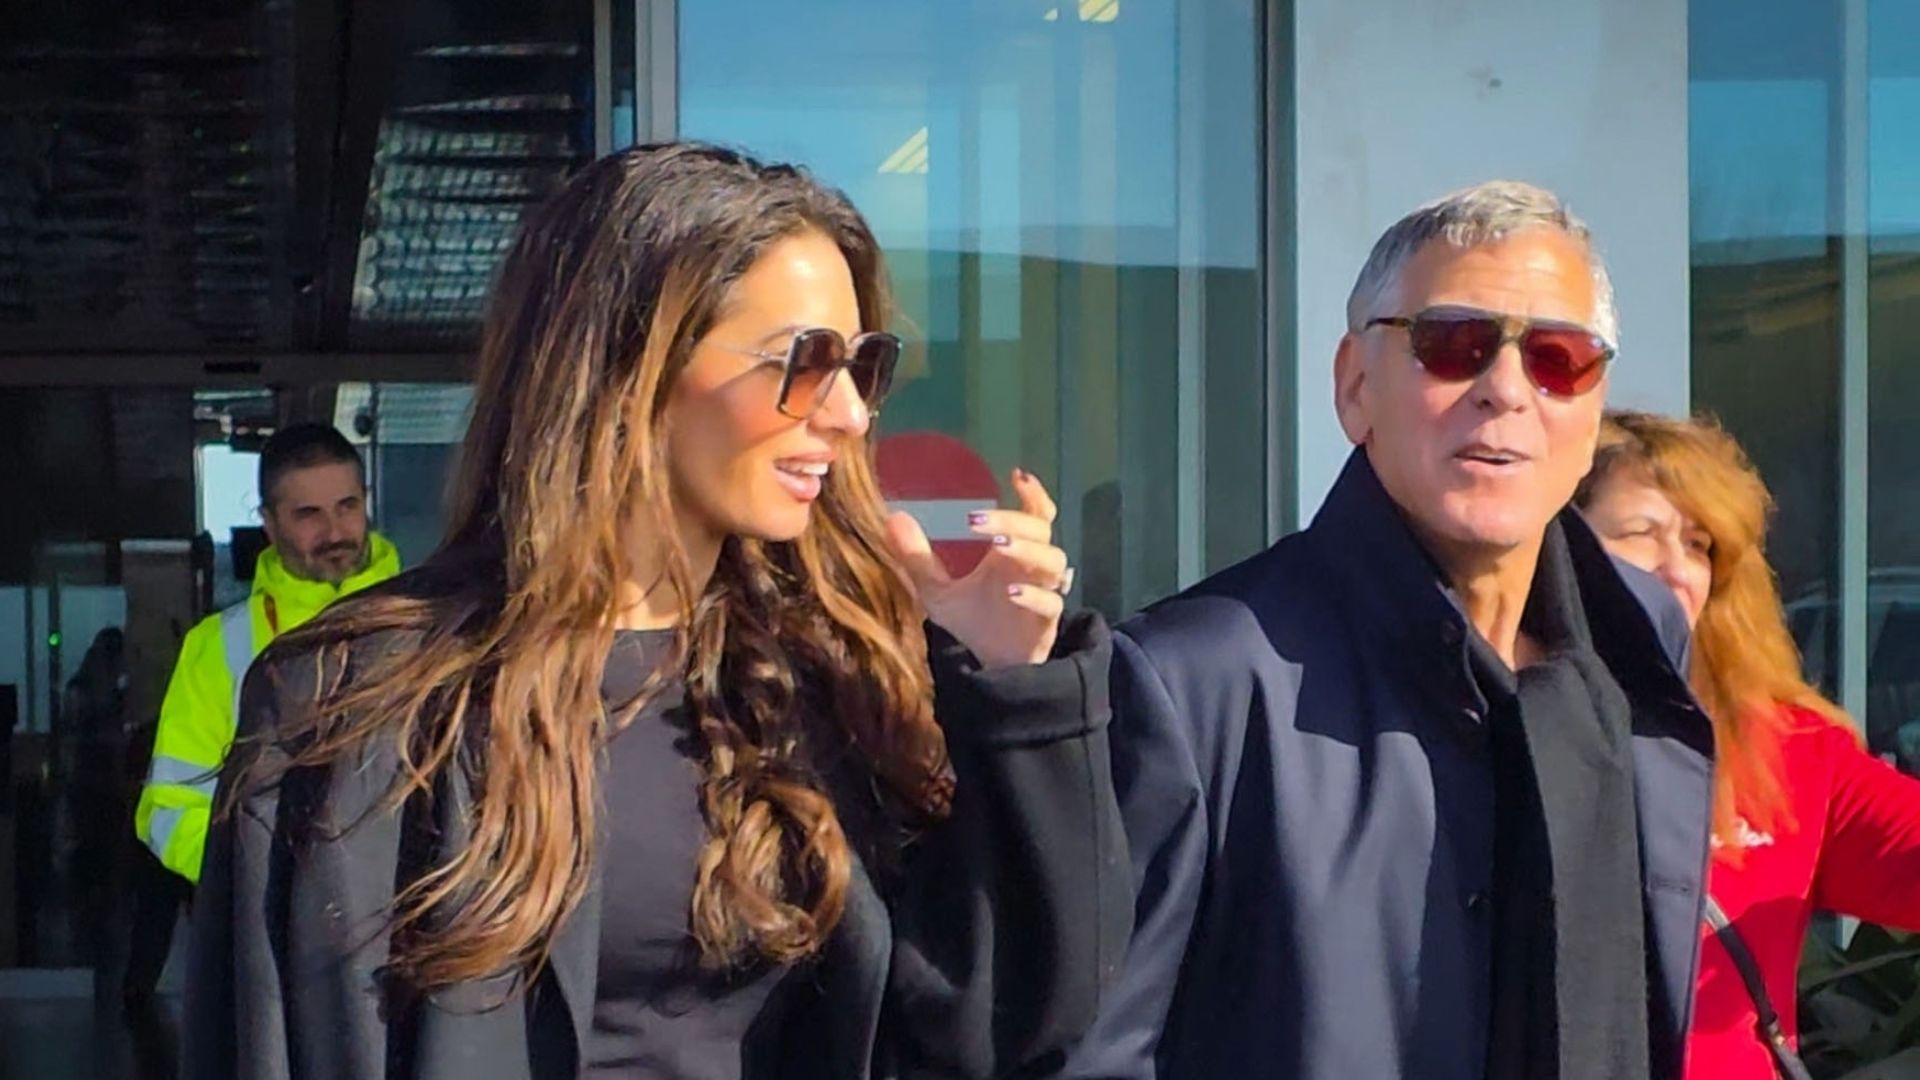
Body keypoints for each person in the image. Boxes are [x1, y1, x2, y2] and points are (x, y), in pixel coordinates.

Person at [182, 142, 1127, 1080]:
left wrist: (1009, 695)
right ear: (631, 363)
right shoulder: (361, 699)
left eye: (864, 363)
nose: (848, 412)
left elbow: (1000, 1025)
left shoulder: (825, 675)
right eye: (806, 360)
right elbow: (270, 1040)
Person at [1057, 182, 1713, 1080]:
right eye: (1455, 345)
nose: (1506, 391)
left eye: (1558, 358)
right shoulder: (1193, 679)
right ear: (1355, 386)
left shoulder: (1638, 639)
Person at [1576, 410, 1920, 1078]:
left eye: (1700, 544)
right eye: (1640, 534)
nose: (1676, 569)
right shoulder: (1480, 726)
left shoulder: (1786, 749)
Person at [133, 423, 401, 887]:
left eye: (347, 506)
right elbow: (170, 809)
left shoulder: (429, 624)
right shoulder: (219, 645)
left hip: (407, 930)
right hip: (274, 938)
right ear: (270, 524)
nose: (335, 531)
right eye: (309, 514)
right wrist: (266, 886)